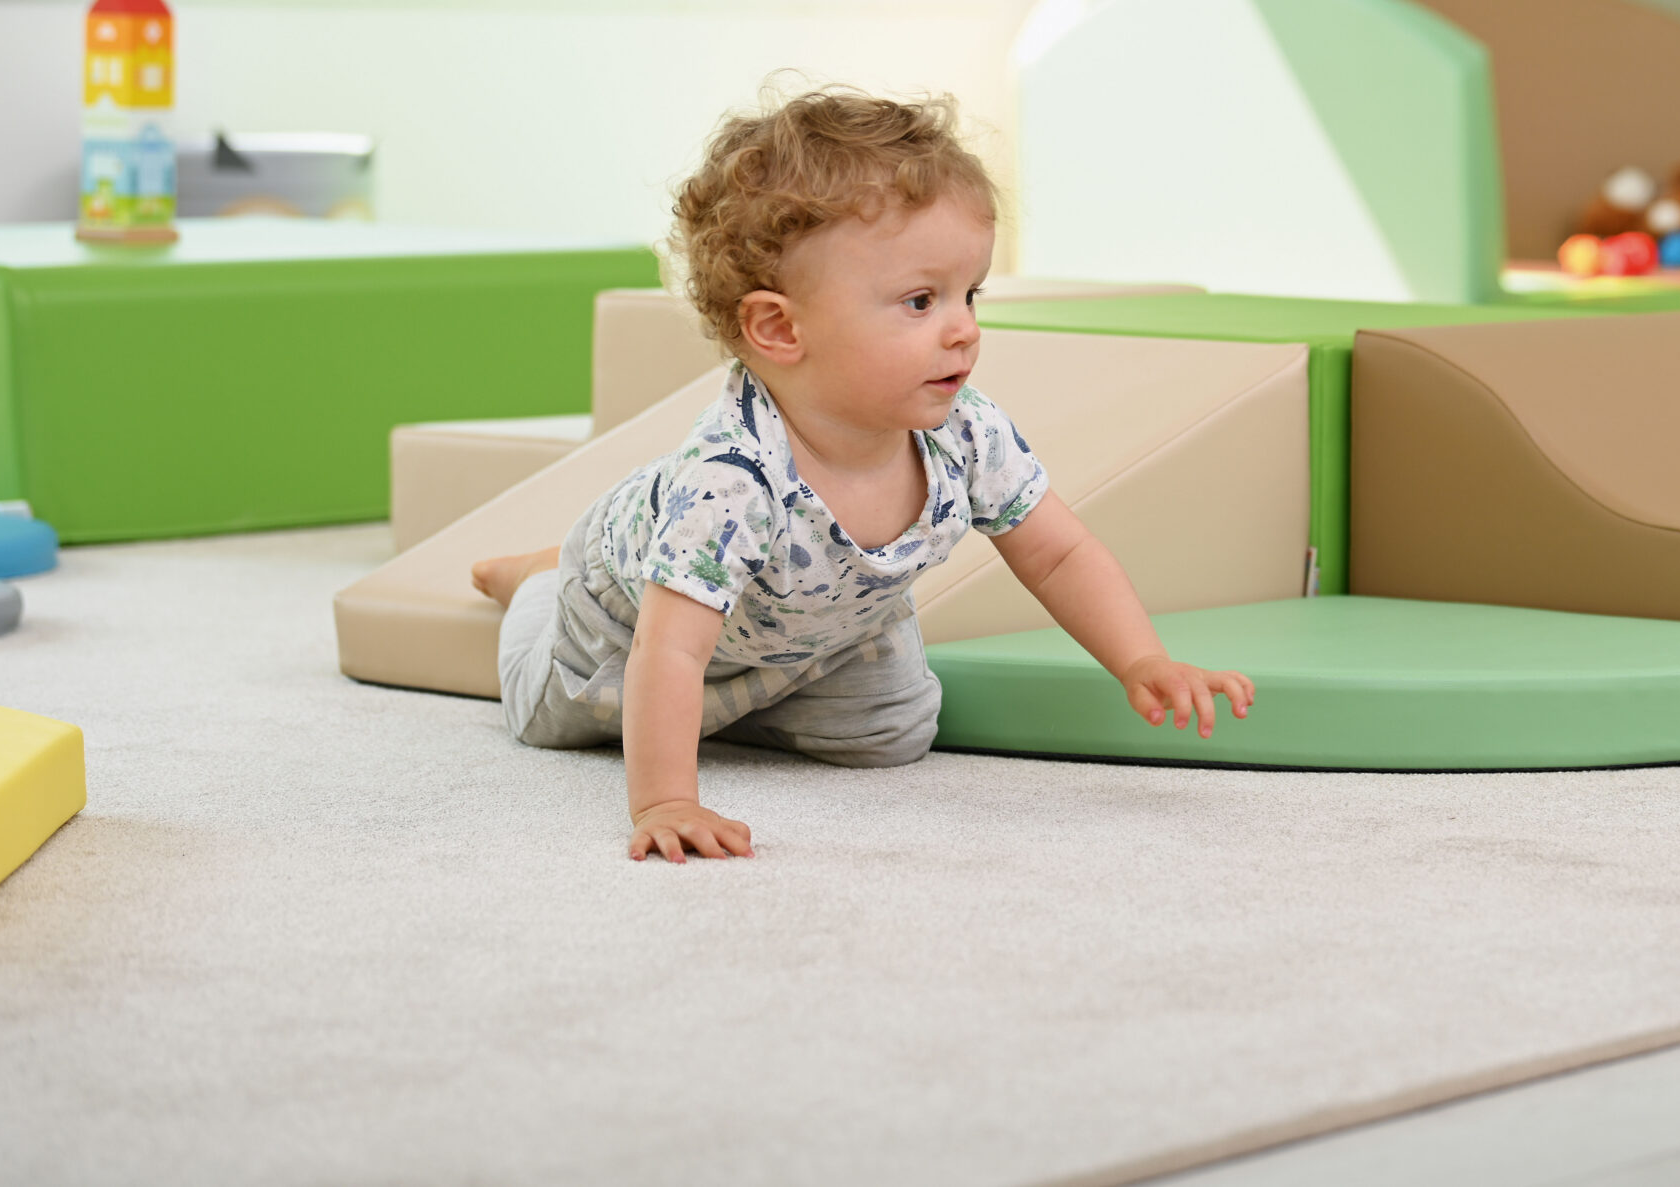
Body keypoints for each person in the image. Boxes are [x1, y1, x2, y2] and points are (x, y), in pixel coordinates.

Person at [470, 90, 1255, 863]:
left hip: (812, 629)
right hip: (628, 622)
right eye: (920, 301)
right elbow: (669, 651)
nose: (964, 327)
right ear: (780, 327)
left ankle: (736, 698)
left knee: (894, 734)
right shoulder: (731, 484)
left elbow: (1058, 552)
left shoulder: (964, 431)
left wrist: (1141, 659)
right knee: (556, 716)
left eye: (970, 293)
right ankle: (539, 578)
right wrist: (666, 801)